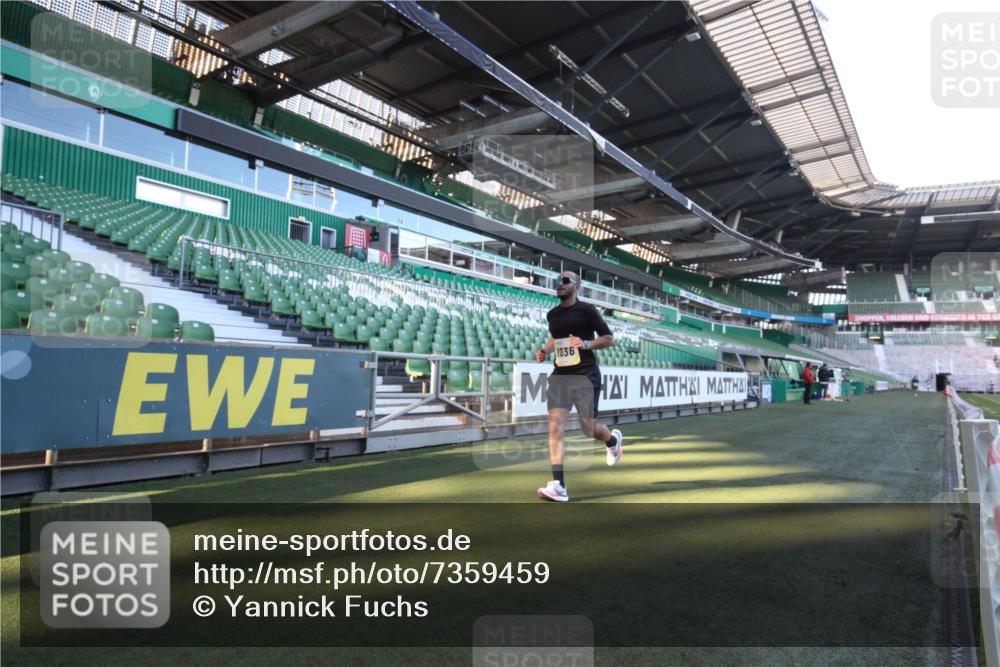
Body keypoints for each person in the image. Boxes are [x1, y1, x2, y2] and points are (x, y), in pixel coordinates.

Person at [534, 271, 623, 502]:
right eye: (558, 281)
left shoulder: (588, 311)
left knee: (588, 429)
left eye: (565, 281)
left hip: (585, 374)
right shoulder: (552, 314)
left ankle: (612, 441)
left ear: (577, 287)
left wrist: (586, 343)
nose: (560, 284)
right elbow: (556, 338)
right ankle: (559, 486)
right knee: (554, 427)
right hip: (560, 375)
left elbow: (608, 338)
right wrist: (546, 350)